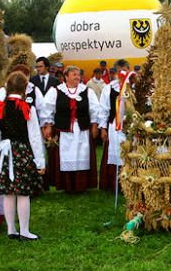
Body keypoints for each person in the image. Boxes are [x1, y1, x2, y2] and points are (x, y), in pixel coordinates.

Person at [0, 72, 46, 241]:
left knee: (8, 192)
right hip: (21, 151)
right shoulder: (27, 107)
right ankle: (24, 230)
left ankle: (11, 229)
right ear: (24, 88)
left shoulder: (0, 107)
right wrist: (40, 162)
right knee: (23, 193)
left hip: (5, 152)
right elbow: (34, 137)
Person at [42, 65, 100, 193]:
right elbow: (48, 109)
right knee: (65, 156)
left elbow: (94, 109)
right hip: (64, 131)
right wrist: (48, 126)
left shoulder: (87, 91)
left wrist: (95, 125)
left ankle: (81, 185)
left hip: (82, 130)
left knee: (82, 155)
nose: (77, 77)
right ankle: (67, 186)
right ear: (66, 77)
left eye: (78, 74)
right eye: (74, 74)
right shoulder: (55, 91)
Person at [98, 59, 130, 192]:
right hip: (114, 126)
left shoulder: (135, 87)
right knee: (116, 154)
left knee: (131, 154)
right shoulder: (109, 88)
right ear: (115, 73)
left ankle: (131, 183)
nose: (122, 73)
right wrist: (103, 128)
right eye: (119, 71)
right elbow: (104, 109)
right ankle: (116, 185)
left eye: (125, 71)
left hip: (132, 127)